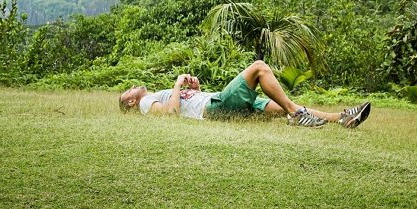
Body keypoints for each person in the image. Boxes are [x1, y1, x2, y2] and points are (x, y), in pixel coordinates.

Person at [119, 60, 371, 128]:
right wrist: (177, 83)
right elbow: (171, 114)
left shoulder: (153, 95)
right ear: (131, 101)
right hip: (215, 107)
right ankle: (296, 115)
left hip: (212, 100)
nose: (133, 87)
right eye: (128, 91)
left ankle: (343, 117)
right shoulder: (144, 103)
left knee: (285, 104)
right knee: (259, 67)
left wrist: (192, 90)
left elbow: (181, 104)